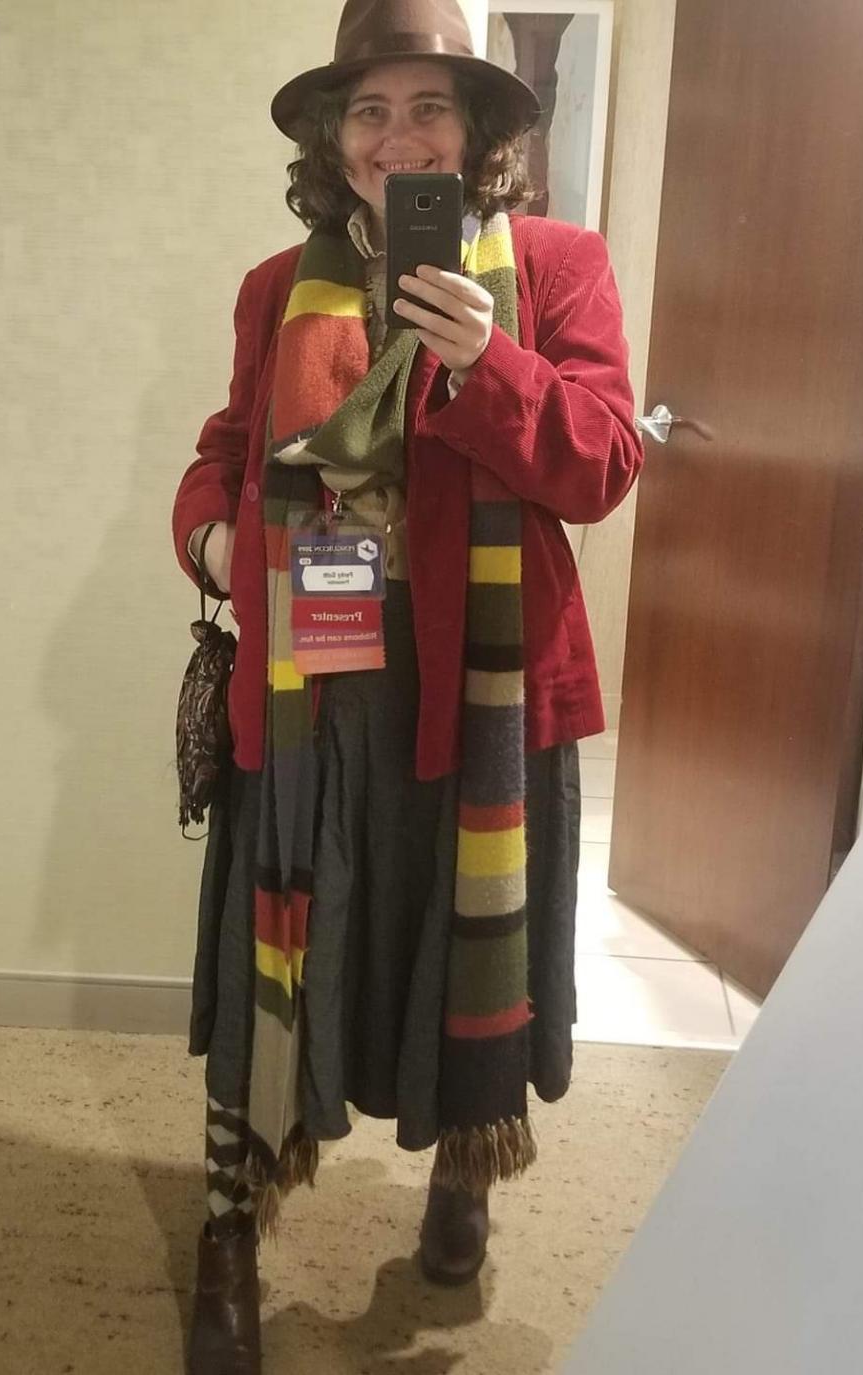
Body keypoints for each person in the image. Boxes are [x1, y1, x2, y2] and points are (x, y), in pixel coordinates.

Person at [171, 1, 642, 1369]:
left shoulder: (556, 266)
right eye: (368, 110)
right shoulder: (277, 285)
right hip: (314, 689)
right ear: (332, 135)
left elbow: (604, 464)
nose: (396, 137)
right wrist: (209, 538)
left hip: (485, 687)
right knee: (279, 948)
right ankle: (231, 1226)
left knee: (460, 937)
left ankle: (461, 1175)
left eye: (430, 106)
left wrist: (488, 359)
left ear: (478, 130)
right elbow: (225, 448)